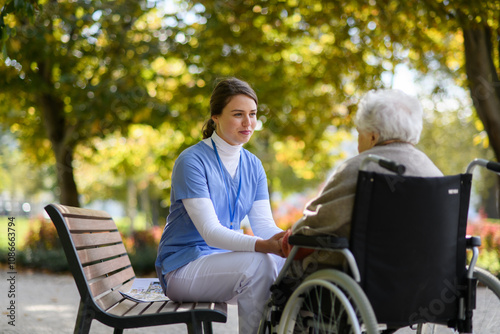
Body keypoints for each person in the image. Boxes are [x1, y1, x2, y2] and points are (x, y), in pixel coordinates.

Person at [155, 77, 285, 334]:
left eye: (252, 114)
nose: (248, 123)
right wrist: (264, 246)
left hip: (222, 263)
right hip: (182, 268)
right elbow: (210, 232)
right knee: (259, 263)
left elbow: (264, 225)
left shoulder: (254, 165)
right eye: (238, 114)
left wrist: (286, 241)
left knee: (284, 263)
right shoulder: (191, 161)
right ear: (215, 116)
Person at [281, 88, 443, 273]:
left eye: (360, 133)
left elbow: (314, 225)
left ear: (373, 135)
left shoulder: (361, 167)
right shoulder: (433, 172)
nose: (358, 141)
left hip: (365, 279)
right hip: (425, 278)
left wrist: (290, 236)